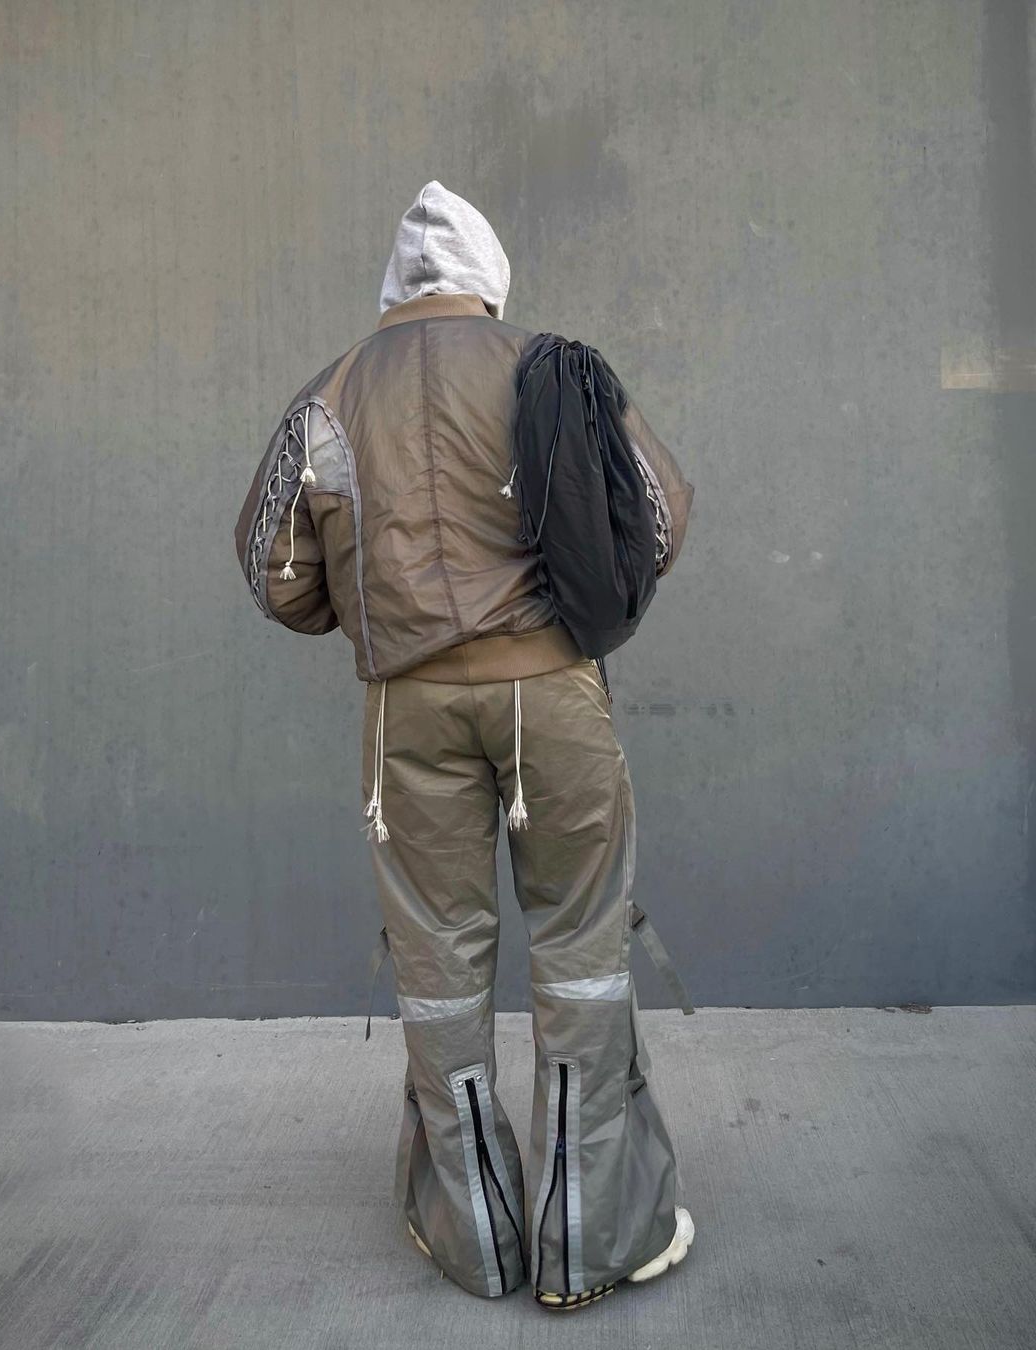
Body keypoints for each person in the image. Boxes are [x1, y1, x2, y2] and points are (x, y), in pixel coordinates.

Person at [234, 180, 696, 1309]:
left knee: (439, 966)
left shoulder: (327, 394)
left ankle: (472, 1235)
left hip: (409, 712)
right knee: (582, 950)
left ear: (394, 286)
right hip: (553, 698)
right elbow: (659, 515)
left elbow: (272, 572)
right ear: (489, 276)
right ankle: (590, 1243)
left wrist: (375, 612)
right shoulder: (554, 366)